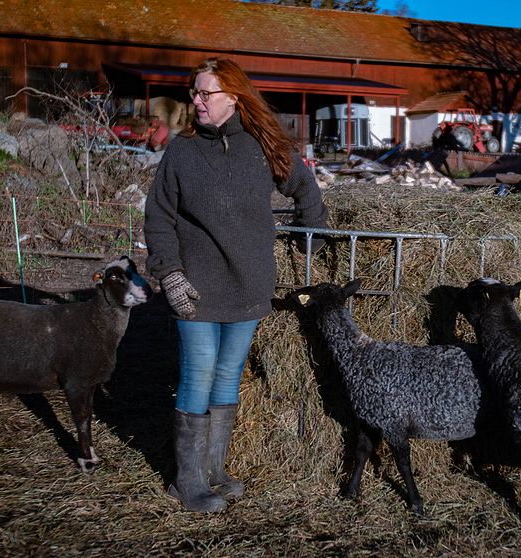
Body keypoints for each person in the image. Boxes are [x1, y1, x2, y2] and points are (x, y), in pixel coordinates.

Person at [144, 57, 328, 513]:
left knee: (228, 375)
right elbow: (159, 217)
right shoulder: (182, 152)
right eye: (195, 92)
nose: (196, 101)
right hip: (197, 287)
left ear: (234, 96)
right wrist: (169, 273)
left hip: (249, 286)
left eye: (206, 93)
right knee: (200, 373)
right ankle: (186, 480)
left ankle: (213, 470)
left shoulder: (264, 146)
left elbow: (306, 189)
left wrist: (312, 239)